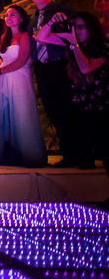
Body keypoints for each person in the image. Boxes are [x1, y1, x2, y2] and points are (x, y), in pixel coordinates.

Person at [37, 11, 107, 176]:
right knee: (95, 140)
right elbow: (41, 37)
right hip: (85, 100)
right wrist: (52, 22)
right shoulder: (73, 44)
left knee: (105, 144)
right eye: (74, 27)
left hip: (103, 100)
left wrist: (74, 43)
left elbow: (86, 68)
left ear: (91, 28)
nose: (77, 31)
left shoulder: (102, 46)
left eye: (81, 27)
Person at [29, 0, 79, 167]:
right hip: (42, 68)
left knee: (70, 110)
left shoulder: (63, 12)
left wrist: (49, 37)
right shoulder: (33, 19)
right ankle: (69, 154)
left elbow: (74, 38)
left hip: (62, 65)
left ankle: (82, 155)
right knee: (53, 111)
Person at [0, 5, 47, 167]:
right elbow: (3, 58)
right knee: (7, 114)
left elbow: (21, 61)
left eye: (13, 14)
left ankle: (30, 155)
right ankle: (9, 155)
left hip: (19, 78)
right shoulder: (4, 37)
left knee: (22, 113)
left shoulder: (24, 36)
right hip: (4, 80)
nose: (9, 17)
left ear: (21, 18)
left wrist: (0, 72)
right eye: (7, 15)